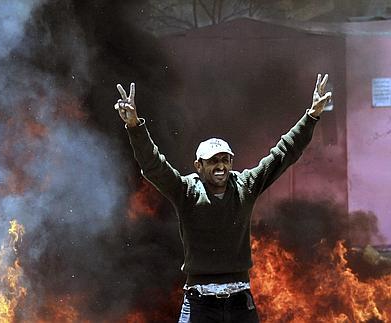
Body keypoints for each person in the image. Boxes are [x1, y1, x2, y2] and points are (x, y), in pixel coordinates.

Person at [114, 74, 332, 322]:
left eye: (225, 159)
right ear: (199, 165)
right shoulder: (186, 191)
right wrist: (134, 126)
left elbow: (283, 154)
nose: (220, 166)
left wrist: (311, 116)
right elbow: (154, 166)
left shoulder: (246, 185)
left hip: (240, 303)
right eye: (213, 161)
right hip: (199, 304)